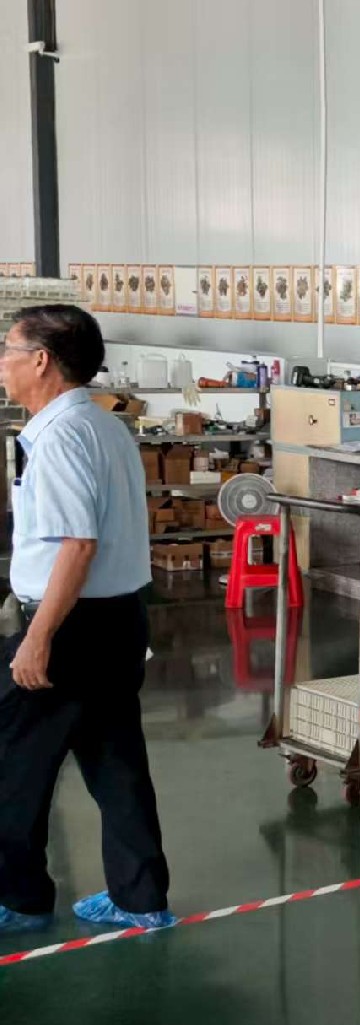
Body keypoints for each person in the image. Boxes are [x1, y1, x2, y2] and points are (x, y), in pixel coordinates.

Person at [0, 305, 175, 936]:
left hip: (69, 624)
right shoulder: (103, 426)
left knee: (13, 760)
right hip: (118, 619)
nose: (2, 363)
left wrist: (38, 637)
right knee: (114, 758)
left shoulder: (62, 437)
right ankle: (140, 897)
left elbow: (77, 546)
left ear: (41, 360)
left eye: (8, 349)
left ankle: (19, 898)